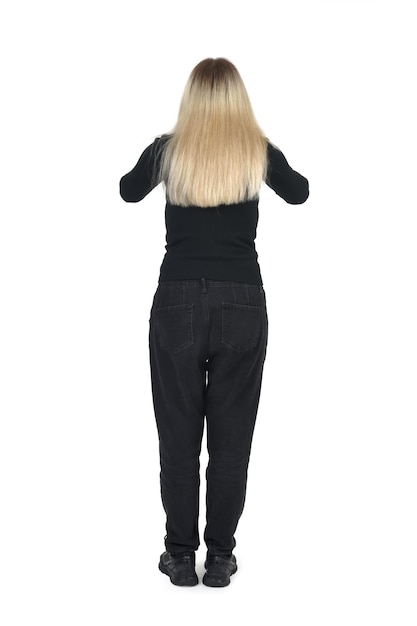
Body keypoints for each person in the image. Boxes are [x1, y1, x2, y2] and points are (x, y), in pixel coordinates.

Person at [119, 57, 309, 587]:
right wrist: (258, 153)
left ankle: (180, 556)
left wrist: (167, 156)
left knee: (177, 433)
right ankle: (220, 557)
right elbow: (300, 191)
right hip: (242, 302)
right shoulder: (255, 151)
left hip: (177, 299)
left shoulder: (168, 151)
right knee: (232, 437)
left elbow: (128, 189)